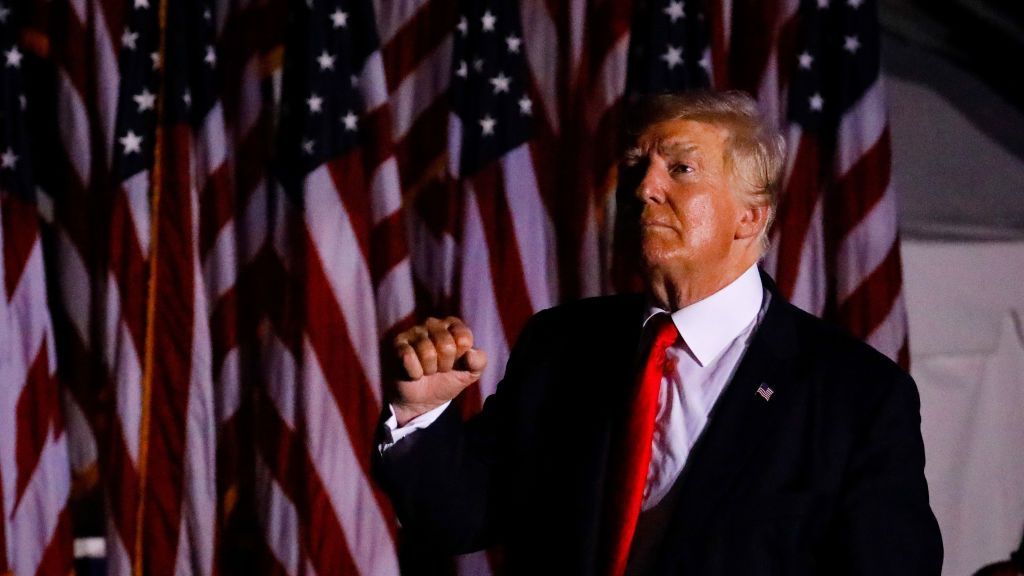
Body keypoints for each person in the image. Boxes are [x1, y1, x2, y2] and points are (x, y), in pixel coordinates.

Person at [372, 90, 943, 575]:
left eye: (680, 168)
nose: (644, 187)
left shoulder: (856, 394)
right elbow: (461, 514)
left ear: (751, 215)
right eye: (636, 165)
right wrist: (420, 414)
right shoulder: (562, 345)